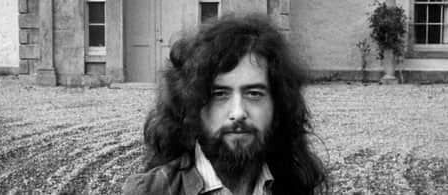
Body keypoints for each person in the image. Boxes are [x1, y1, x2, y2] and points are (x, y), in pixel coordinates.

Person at [122, 14, 327, 195]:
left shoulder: (296, 184)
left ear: (278, 104)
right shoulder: (151, 191)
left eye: (254, 93)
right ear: (192, 105)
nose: (238, 113)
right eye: (219, 94)